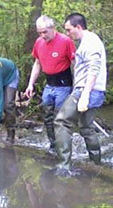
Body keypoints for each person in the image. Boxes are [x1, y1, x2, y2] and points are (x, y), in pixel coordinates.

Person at [54, 13, 107, 175]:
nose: (67, 33)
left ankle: (64, 166)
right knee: (86, 128)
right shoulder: (87, 41)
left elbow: (94, 68)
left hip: (87, 90)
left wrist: (84, 94)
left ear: (78, 27)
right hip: (93, 90)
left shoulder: (90, 42)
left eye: (69, 30)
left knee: (61, 122)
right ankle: (96, 164)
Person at [25, 15, 76, 154]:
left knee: (60, 118)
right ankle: (53, 145)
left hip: (63, 84)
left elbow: (75, 64)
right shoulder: (39, 42)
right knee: (47, 116)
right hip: (49, 85)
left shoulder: (65, 41)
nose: (42, 35)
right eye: (39, 32)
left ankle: (65, 149)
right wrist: (30, 85)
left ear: (52, 28)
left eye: (45, 32)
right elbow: (37, 63)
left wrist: (77, 86)